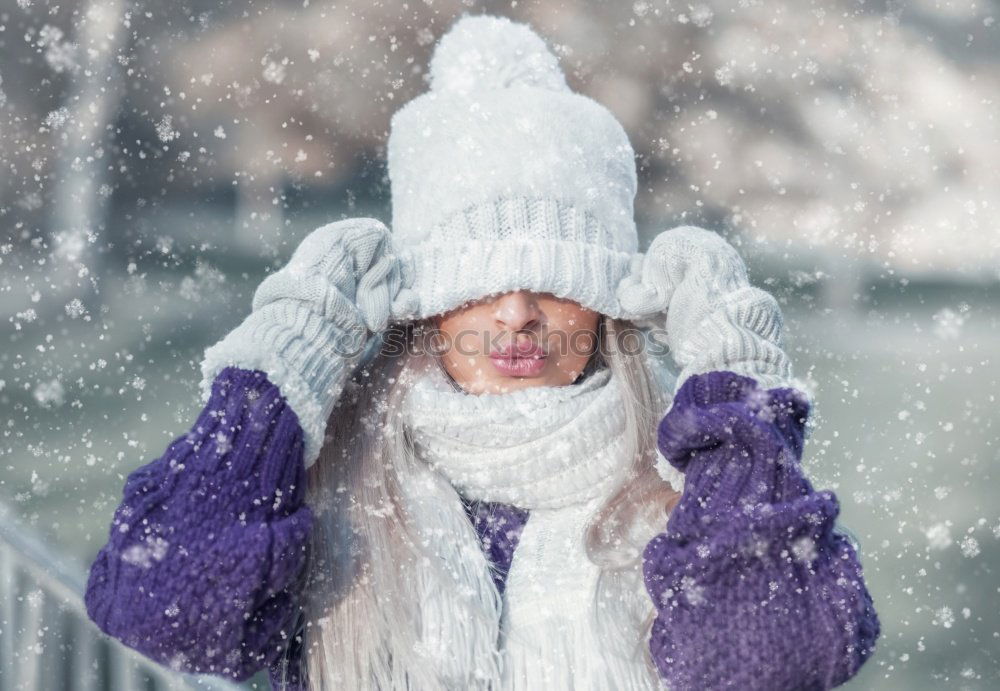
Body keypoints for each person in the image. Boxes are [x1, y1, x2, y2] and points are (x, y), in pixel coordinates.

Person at [83, 13, 880, 691]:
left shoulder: (688, 484)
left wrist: (737, 396)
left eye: (554, 280)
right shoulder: (336, 485)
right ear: (424, 305)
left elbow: (768, 661)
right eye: (476, 280)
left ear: (608, 305)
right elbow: (159, 607)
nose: (516, 314)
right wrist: (277, 377)